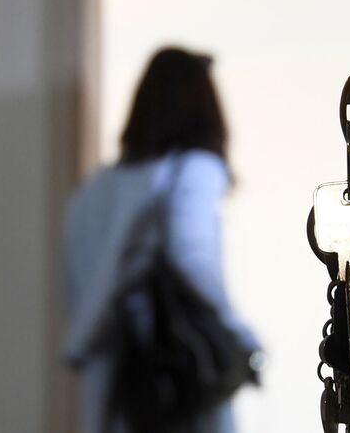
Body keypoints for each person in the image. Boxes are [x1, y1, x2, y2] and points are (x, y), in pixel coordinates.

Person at [63, 47, 258, 433]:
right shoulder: (194, 170)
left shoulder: (91, 192)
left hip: (109, 391)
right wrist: (241, 334)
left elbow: (74, 290)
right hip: (175, 391)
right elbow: (192, 256)